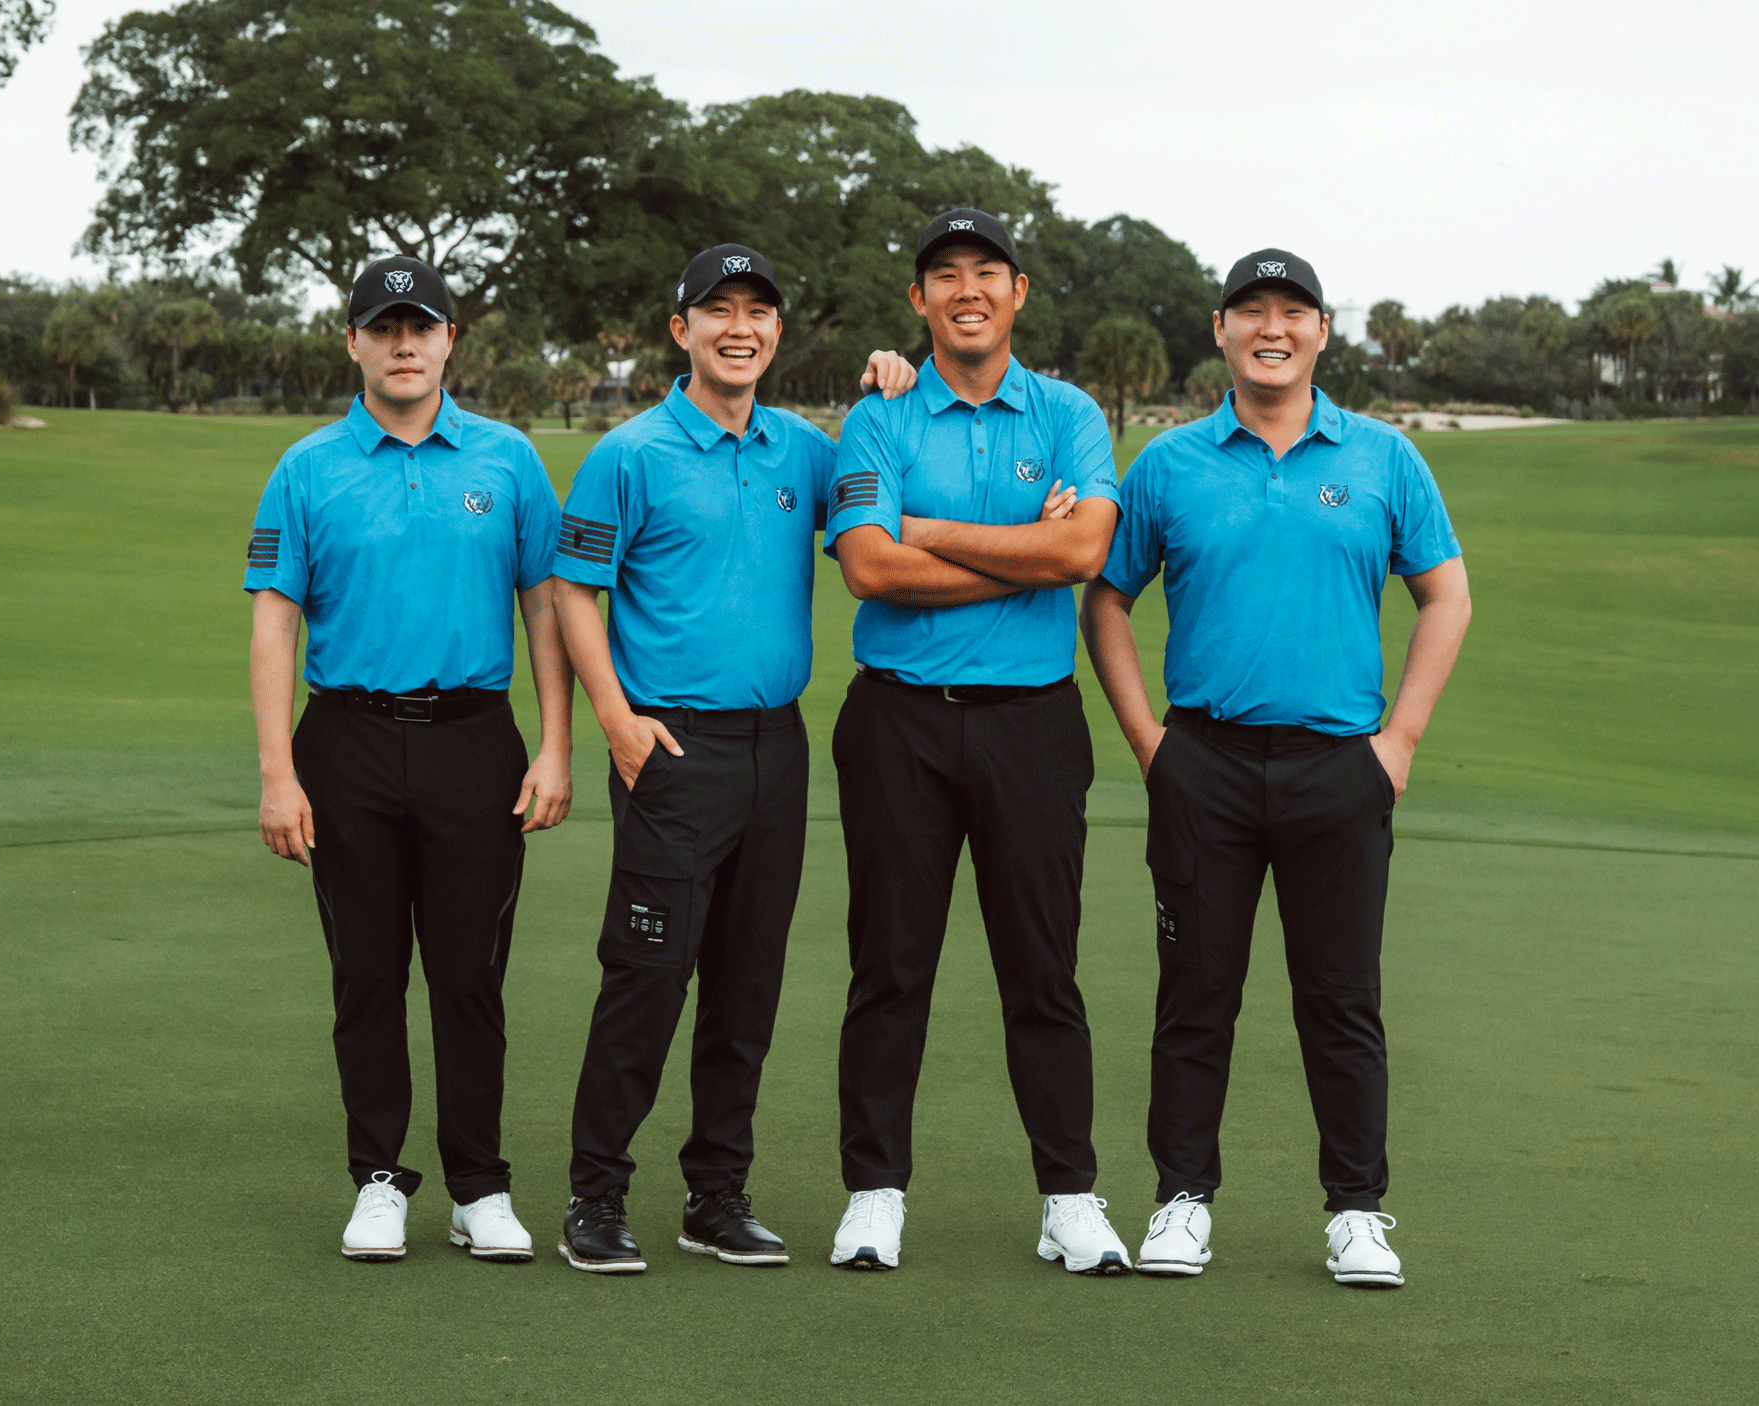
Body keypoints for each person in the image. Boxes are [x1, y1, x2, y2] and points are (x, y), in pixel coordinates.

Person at [1081, 248, 1472, 1286]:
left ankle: (1357, 1211)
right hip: (1202, 762)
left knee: (1341, 1001)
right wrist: (1148, 742)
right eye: (1249, 309)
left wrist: (1398, 744)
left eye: (1291, 311)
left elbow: (1446, 595)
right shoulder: (1169, 463)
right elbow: (1107, 597)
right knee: (1195, 995)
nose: (1271, 327)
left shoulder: (1384, 457)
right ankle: (1181, 1199)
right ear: (1219, 330)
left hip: (1338, 767)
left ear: (1321, 331)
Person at [550, 244, 918, 1274]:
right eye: (718, 310)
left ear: (777, 332)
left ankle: (716, 1194)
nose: (739, 327)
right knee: (648, 976)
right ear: (683, 331)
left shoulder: (804, 451)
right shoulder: (629, 452)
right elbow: (574, 589)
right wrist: (616, 722)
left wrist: (896, 381)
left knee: (746, 986)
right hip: (670, 744)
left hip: (775, 749)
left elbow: (888, 497)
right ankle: (594, 1196)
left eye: (758, 311)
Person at [244, 255, 574, 1265]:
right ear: (352, 342)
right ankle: (378, 1180)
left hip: (475, 740)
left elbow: (546, 606)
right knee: (368, 973)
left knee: (470, 975)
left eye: (420, 327)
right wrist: (277, 773)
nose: (402, 344)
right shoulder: (307, 467)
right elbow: (275, 624)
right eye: (383, 328)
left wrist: (556, 744)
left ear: (448, 341)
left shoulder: (508, 459)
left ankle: (480, 1187)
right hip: (343, 742)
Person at [822, 208, 1134, 1275]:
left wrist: (929, 530)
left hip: (1032, 725)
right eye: (945, 274)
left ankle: (1069, 1196)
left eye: (987, 272)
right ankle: (873, 1192)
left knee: (1043, 970)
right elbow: (869, 567)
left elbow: (1084, 551)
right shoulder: (881, 414)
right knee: (890, 965)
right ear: (919, 299)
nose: (967, 289)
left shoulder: (1070, 413)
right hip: (898, 721)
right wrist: (1024, 551)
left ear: (1018, 292)